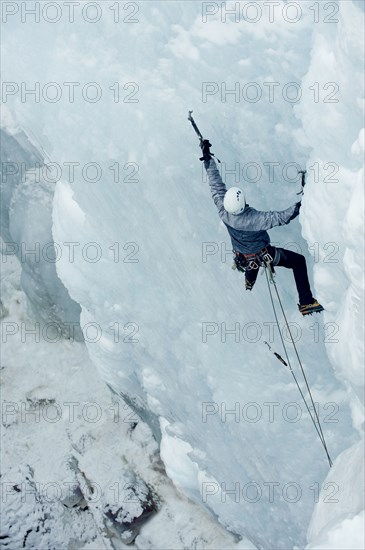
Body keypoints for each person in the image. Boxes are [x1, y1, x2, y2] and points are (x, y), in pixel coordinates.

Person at [200, 139, 324, 316]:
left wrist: (207, 159)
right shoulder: (254, 219)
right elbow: (281, 217)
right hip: (264, 255)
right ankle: (306, 302)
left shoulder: (223, 210)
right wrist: (303, 203)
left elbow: (215, 185)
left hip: (243, 256)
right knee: (298, 261)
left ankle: (249, 280)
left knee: (252, 263)